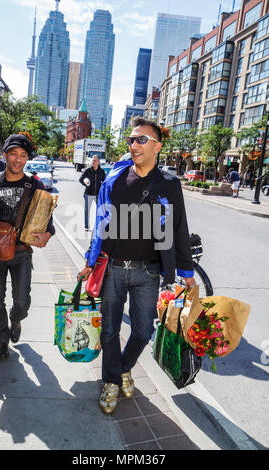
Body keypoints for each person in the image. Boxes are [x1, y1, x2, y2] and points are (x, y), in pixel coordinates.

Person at [77, 117, 195, 415]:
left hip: (148, 271)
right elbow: (100, 226)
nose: (134, 145)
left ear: (157, 146)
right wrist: (91, 261)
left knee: (143, 331)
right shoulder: (115, 179)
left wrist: (186, 273)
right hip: (113, 268)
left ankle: (121, 369)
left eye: (141, 140)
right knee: (109, 331)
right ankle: (111, 383)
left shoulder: (169, 185)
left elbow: (178, 229)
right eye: (131, 140)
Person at [0, 134, 55, 361]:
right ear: (5, 154)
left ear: (27, 158)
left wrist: (47, 234)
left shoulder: (35, 185)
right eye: (13, 154)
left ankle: (16, 319)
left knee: (22, 301)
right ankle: (2, 339)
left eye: (23, 155)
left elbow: (47, 220)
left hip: (22, 252)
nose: (18, 160)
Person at [79, 155, 106, 231]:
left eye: (95, 161)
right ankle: (86, 226)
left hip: (98, 194)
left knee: (99, 210)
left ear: (98, 162)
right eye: (92, 160)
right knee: (87, 211)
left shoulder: (102, 171)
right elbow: (80, 179)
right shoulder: (88, 170)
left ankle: (98, 225)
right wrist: (86, 184)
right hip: (88, 194)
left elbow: (104, 182)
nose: (93, 162)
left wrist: (102, 187)